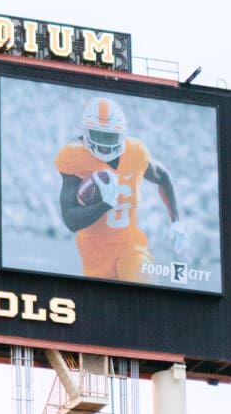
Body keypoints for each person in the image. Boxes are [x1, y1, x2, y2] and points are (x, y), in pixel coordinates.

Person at [55, 96, 180, 283]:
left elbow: (163, 177)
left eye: (110, 136)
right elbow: (70, 219)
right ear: (86, 132)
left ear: (122, 134)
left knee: (143, 288)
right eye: (99, 135)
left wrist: (176, 221)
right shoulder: (74, 158)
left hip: (130, 246)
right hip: (95, 255)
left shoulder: (135, 153)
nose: (105, 144)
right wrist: (105, 204)